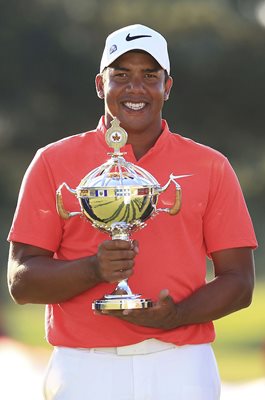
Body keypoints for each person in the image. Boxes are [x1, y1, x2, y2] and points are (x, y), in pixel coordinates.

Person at [7, 24, 257, 400]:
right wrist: (93, 269)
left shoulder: (210, 165)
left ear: (167, 87)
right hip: (83, 365)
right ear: (99, 84)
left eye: (149, 76)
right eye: (121, 75)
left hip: (181, 363)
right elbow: (21, 283)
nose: (135, 88)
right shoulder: (52, 162)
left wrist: (175, 316)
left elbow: (239, 282)